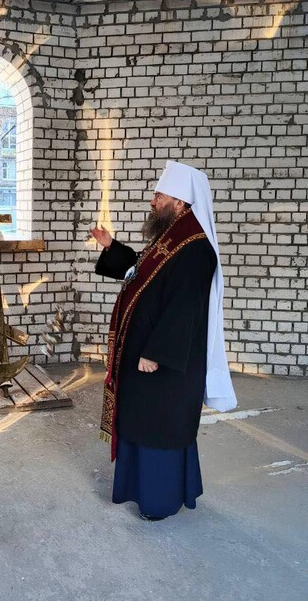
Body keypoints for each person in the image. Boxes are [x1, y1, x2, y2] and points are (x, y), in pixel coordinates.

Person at [91, 160, 237, 521]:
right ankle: (138, 489)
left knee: (159, 427)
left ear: (180, 202)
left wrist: (155, 353)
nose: (152, 201)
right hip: (143, 355)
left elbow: (185, 307)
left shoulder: (195, 248)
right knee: (140, 421)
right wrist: (111, 247)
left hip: (163, 363)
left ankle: (160, 501)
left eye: (159, 196)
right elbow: (139, 269)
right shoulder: (171, 239)